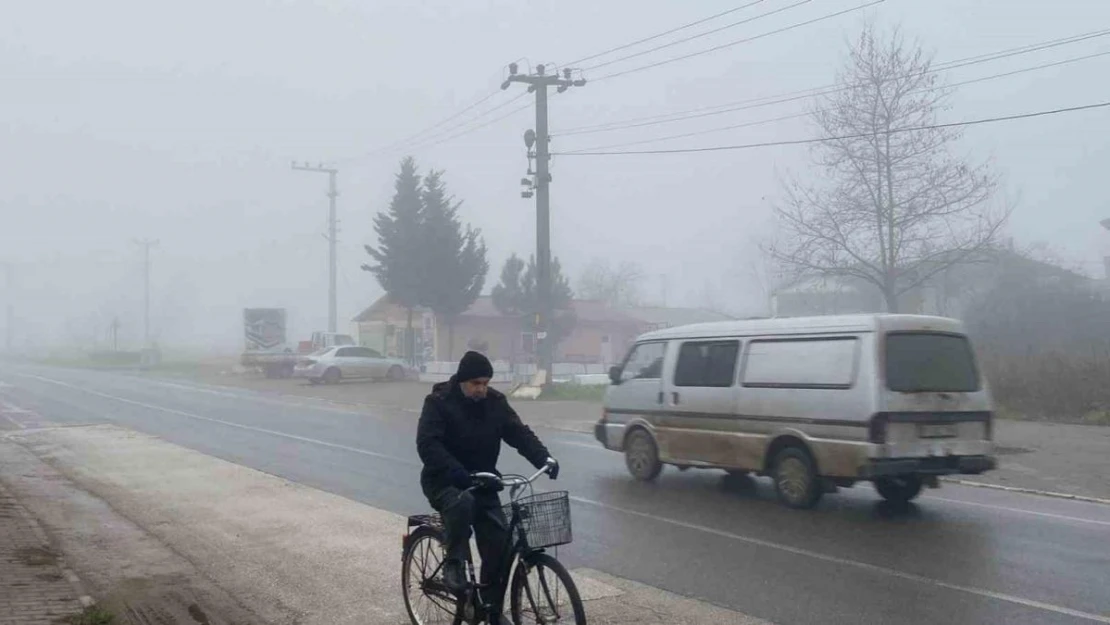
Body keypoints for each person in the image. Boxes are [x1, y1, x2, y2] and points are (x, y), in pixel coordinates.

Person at [416, 350, 559, 602]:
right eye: (476, 383)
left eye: (485, 383)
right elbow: (428, 444)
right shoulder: (438, 401)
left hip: (483, 481)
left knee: (500, 547)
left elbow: (518, 433)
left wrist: (543, 458)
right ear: (462, 381)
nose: (481, 389)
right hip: (444, 481)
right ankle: (454, 564)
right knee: (462, 503)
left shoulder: (495, 402)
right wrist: (454, 471)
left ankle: (490, 610)